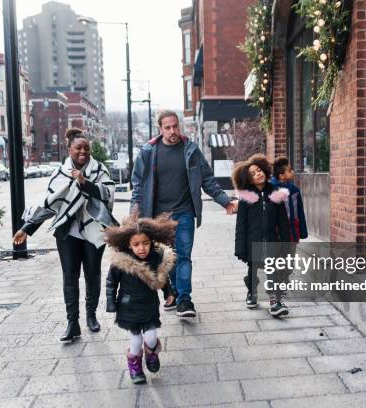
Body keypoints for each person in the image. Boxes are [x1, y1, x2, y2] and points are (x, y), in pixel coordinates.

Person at [12, 128, 117, 342]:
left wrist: (84, 183)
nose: (83, 152)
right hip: (68, 233)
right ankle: (72, 323)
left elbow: (108, 195)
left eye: (86, 148)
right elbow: (50, 204)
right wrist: (26, 229)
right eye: (78, 148)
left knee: (93, 274)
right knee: (70, 277)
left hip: (94, 230)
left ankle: (91, 316)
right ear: (69, 149)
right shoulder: (59, 174)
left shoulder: (99, 170)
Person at [131, 110, 236, 318]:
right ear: (160, 129)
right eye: (168, 127)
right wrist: (134, 216)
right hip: (158, 218)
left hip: (185, 213)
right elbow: (138, 185)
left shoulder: (190, 149)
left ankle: (185, 300)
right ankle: (174, 291)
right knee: (167, 259)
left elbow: (207, 180)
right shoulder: (148, 152)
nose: (173, 131)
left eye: (175, 126)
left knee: (184, 257)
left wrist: (225, 201)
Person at [105, 213, 177, 384]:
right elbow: (111, 282)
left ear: (151, 242)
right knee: (136, 340)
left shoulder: (156, 258)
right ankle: (134, 366)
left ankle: (152, 353)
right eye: (136, 244)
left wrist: (169, 293)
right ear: (129, 245)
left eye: (145, 243)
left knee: (151, 337)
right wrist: (111, 302)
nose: (141, 248)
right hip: (128, 308)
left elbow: (163, 278)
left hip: (149, 307)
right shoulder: (121, 262)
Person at [233, 154, 291, 317]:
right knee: (253, 269)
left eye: (259, 170)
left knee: (273, 269)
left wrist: (286, 243)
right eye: (253, 173)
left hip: (272, 240)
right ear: (248, 179)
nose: (258, 174)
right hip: (253, 241)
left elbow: (283, 222)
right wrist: (240, 247)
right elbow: (241, 225)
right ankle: (252, 292)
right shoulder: (246, 197)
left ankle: (275, 301)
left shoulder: (275, 193)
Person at [270, 157, 308, 242]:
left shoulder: (294, 190)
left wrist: (303, 232)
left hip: (293, 231)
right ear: (281, 175)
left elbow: (300, 211)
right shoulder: (271, 189)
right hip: (276, 232)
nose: (293, 171)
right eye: (290, 170)